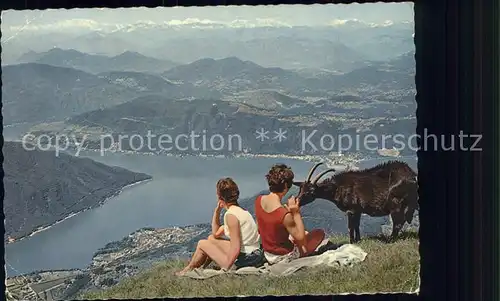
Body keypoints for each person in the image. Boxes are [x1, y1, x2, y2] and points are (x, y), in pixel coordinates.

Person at [175, 177, 263, 276]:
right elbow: (216, 234)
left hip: (246, 259)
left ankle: (187, 271)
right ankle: (198, 267)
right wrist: (217, 211)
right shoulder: (241, 211)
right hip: (254, 254)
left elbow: (236, 247)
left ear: (219, 196)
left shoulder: (231, 216)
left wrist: (226, 268)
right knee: (211, 238)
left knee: (202, 243)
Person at [255, 164, 333, 265]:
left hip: (268, 253)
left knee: (302, 233)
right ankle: (302, 255)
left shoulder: (259, 200)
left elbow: (260, 228)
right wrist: (295, 212)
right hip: (283, 256)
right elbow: (301, 238)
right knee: (318, 233)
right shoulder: (283, 214)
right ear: (286, 186)